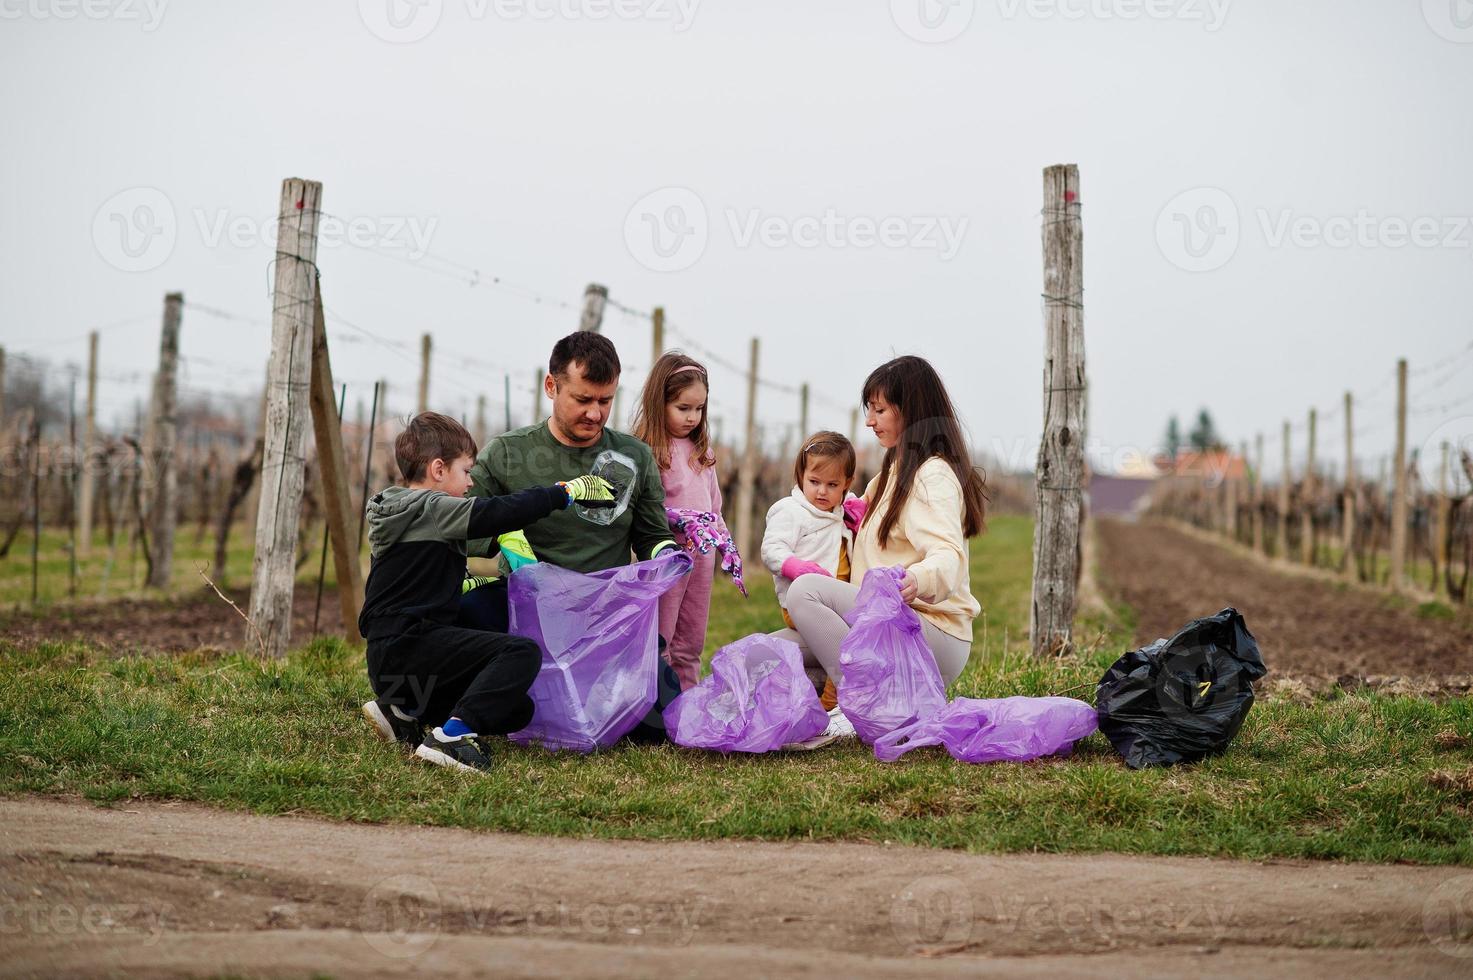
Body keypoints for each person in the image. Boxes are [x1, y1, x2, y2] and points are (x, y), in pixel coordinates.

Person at [358, 411, 614, 773]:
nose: (471, 482)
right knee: (521, 654)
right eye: (467, 470)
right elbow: (495, 512)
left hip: (392, 660)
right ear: (438, 470)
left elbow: (409, 582)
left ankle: (400, 711)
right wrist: (564, 493)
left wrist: (469, 582)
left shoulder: (399, 513)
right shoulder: (432, 507)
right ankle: (451, 738)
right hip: (410, 648)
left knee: (516, 710)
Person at [467, 331, 683, 739]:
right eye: (583, 400)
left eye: (605, 401)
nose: (596, 414)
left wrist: (667, 554)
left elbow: (651, 535)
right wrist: (505, 542)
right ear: (551, 386)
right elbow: (463, 523)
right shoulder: (507, 454)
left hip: (605, 618)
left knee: (661, 721)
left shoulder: (634, 456)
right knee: (465, 611)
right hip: (525, 615)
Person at [772, 355, 986, 703]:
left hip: (929, 632)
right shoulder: (889, 476)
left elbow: (949, 555)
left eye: (879, 410)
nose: (869, 421)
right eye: (869, 410)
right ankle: (857, 690)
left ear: (911, 410)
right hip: (881, 627)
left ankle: (857, 697)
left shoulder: (932, 475)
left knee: (805, 592)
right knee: (764, 654)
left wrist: (918, 579)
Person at [631, 352, 727, 690]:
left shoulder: (702, 450)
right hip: (669, 557)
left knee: (693, 635)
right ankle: (660, 701)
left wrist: (722, 540)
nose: (692, 417)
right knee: (663, 636)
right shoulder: (649, 451)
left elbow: (714, 506)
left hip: (702, 557)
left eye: (699, 409)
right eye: (683, 408)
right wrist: (676, 522)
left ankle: (687, 701)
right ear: (660, 403)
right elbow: (645, 508)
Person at [759, 431, 861, 710]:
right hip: (802, 602)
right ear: (800, 475)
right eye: (814, 482)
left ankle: (828, 695)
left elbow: (854, 505)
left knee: (849, 638)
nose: (821, 491)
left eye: (832, 484)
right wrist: (794, 566)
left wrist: (857, 510)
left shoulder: (839, 509)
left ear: (846, 484)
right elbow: (771, 548)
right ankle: (835, 701)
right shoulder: (791, 511)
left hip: (833, 599)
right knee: (846, 638)